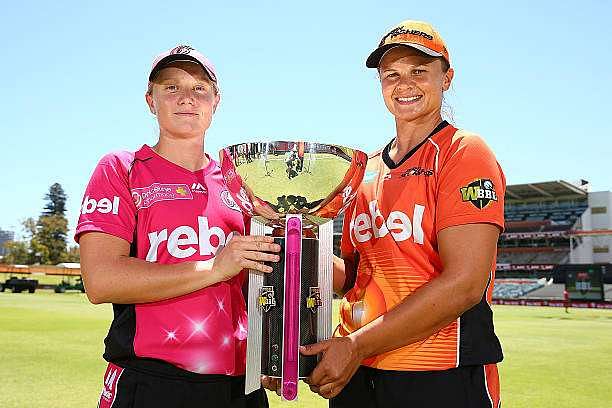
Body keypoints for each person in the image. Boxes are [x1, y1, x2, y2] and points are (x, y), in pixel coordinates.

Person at [300, 20, 505, 407]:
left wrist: (356, 345)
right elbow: (355, 279)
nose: (404, 84)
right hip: (359, 375)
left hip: (439, 373)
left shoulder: (464, 152)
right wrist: (292, 245)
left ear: (446, 78)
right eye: (391, 75)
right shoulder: (367, 168)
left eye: (418, 71)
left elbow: (465, 283)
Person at [76, 45, 280, 408]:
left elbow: (262, 280)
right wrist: (214, 267)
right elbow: (101, 280)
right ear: (150, 100)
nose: (187, 97)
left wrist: (277, 349)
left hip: (239, 387)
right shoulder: (122, 168)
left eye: (200, 88)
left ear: (216, 101)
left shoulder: (240, 182)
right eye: (171, 87)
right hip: (153, 380)